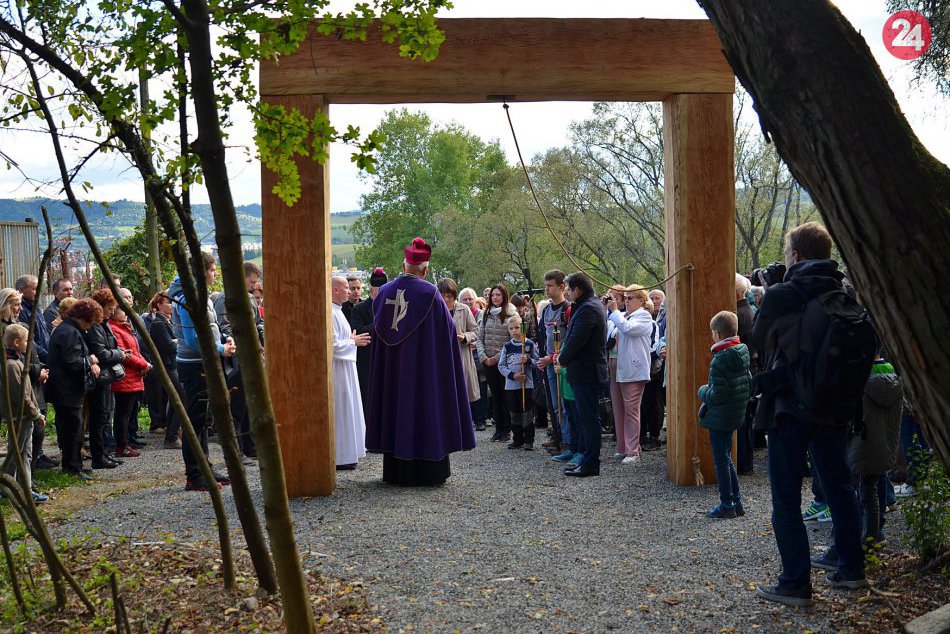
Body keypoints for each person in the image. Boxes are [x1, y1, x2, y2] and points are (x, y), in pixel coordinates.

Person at [752, 222, 873, 606]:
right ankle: (852, 570)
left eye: (787, 253)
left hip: (789, 408)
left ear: (797, 255)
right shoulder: (844, 293)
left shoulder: (784, 293)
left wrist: (771, 292)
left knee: (786, 497)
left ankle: (795, 583)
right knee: (840, 489)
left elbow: (758, 339)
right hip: (835, 409)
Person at [365, 237, 476, 486]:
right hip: (423, 372)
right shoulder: (431, 294)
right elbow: (446, 336)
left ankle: (396, 471)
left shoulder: (383, 293)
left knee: (396, 408)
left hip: (393, 373)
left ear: (404, 266)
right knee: (425, 410)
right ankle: (428, 472)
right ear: (425, 269)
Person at [168, 252, 236, 491]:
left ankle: (205, 467)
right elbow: (193, 338)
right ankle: (194, 475)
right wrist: (220, 349)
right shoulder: (188, 296)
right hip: (194, 363)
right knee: (195, 421)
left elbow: (212, 326)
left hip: (205, 360)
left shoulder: (200, 294)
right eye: (213, 270)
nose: (215, 274)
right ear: (201, 271)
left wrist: (225, 339)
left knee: (203, 419)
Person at [698, 311, 752, 519]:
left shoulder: (720, 360)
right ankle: (736, 502)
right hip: (735, 413)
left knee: (721, 460)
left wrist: (702, 391)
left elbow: (719, 394)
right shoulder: (741, 351)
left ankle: (726, 503)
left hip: (720, 416)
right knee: (727, 458)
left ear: (718, 333)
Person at [844, 355, 902, 547]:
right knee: (874, 488)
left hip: (864, 442)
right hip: (885, 443)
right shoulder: (892, 373)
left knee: (859, 491)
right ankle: (877, 532)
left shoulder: (860, 377)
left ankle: (867, 538)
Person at [554, 272, 607, 477]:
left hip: (587, 372)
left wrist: (561, 359)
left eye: (568, 288)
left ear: (578, 290)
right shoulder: (587, 305)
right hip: (583, 372)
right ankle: (587, 459)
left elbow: (576, 341)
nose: (567, 292)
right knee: (586, 418)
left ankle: (591, 463)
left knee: (589, 419)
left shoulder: (588, 309)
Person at [46, 298, 102, 481]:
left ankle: (74, 465)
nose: (90, 326)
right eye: (91, 321)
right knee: (72, 430)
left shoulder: (68, 329)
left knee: (73, 429)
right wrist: (90, 360)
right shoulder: (70, 332)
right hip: (66, 389)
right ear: (84, 318)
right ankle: (72, 468)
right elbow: (72, 362)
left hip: (66, 389)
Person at [605, 285, 655, 465]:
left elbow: (628, 329)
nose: (626, 301)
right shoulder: (622, 316)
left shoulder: (644, 316)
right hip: (617, 368)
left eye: (630, 298)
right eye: (625, 298)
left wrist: (615, 312)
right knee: (618, 409)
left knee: (631, 411)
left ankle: (633, 450)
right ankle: (622, 446)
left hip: (633, 370)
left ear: (641, 300)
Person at [2, 324, 49, 502]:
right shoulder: (11, 365)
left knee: (26, 454)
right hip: (19, 417)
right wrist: (36, 414)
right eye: (26, 340)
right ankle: (7, 488)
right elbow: (20, 396)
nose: (30, 343)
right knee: (16, 454)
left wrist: (35, 412)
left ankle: (26, 489)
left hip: (26, 416)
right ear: (16, 342)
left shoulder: (18, 361)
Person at [14, 275, 56, 470]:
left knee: (43, 410)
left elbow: (43, 335)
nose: (38, 291)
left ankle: (38, 454)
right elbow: (30, 343)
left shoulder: (36, 307)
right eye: (34, 288)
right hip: (33, 365)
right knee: (36, 413)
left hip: (41, 362)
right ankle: (32, 460)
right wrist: (46, 359)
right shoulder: (22, 311)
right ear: (22, 290)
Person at [330, 276, 371, 470]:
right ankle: (340, 456)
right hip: (338, 371)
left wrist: (351, 339)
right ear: (336, 290)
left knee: (349, 409)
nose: (349, 291)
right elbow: (332, 346)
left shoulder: (338, 312)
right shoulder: (330, 313)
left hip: (346, 368)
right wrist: (352, 342)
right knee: (342, 411)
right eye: (346, 288)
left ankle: (348, 453)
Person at [85, 289, 128, 467]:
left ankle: (104, 453)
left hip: (107, 376)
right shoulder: (95, 327)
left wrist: (117, 352)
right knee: (99, 417)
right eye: (110, 308)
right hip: (100, 377)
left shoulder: (104, 324)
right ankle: (99, 456)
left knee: (105, 416)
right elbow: (101, 353)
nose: (111, 312)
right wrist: (119, 354)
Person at [110, 290, 152, 459]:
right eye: (122, 310)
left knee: (128, 414)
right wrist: (143, 364)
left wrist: (144, 364)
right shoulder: (115, 329)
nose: (126, 313)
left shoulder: (125, 327)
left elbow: (136, 349)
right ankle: (121, 445)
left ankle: (126, 442)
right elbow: (125, 354)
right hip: (125, 378)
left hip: (134, 377)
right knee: (122, 414)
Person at [536, 270, 571, 457]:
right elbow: (542, 336)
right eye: (546, 285)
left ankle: (568, 441)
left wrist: (553, 358)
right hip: (548, 363)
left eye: (550, 286)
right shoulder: (547, 310)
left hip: (562, 364)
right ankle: (557, 435)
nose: (547, 289)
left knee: (565, 404)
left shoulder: (567, 310)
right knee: (554, 404)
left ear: (561, 287)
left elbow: (569, 340)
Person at [477, 284, 516, 442]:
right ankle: (498, 429)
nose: (495, 298)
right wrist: (483, 357)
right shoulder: (486, 315)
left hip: (503, 362)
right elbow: (480, 338)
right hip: (487, 361)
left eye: (498, 295)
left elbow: (511, 340)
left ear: (504, 296)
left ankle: (507, 430)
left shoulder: (509, 315)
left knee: (505, 396)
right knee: (496, 396)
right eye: (493, 295)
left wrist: (497, 358)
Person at [497, 314, 539, 450]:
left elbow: (537, 362)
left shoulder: (529, 344)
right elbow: (501, 366)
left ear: (523, 328)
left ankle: (529, 440)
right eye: (511, 328)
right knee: (514, 412)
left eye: (517, 327)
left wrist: (528, 361)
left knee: (526, 411)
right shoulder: (507, 346)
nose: (515, 330)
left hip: (526, 385)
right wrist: (512, 375)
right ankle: (517, 439)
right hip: (511, 385)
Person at [147, 292, 183, 449]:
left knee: (177, 400)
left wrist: (176, 341)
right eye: (168, 302)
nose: (171, 305)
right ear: (159, 305)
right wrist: (179, 341)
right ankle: (171, 436)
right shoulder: (158, 324)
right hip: (167, 367)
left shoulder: (169, 322)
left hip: (172, 365)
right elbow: (169, 346)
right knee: (180, 399)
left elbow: (173, 343)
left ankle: (172, 432)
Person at [438, 278, 480, 407]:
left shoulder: (464, 309)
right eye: (442, 296)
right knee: (444, 394)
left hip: (461, 356)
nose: (445, 299)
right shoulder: (434, 309)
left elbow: (475, 331)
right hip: (441, 358)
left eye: (449, 296)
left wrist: (465, 337)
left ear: (454, 295)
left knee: (462, 395)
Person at [351, 267, 387, 416]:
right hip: (366, 361)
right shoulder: (359, 309)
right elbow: (359, 332)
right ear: (373, 290)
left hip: (386, 359)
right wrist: (379, 322)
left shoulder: (390, 306)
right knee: (368, 401)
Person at [735, 273, 757, 474]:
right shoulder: (747, 311)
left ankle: (743, 462)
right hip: (748, 368)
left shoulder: (740, 315)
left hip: (743, 371)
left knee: (742, 420)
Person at [460, 287, 489, 431]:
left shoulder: (482, 315)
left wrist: (474, 343)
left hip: (478, 357)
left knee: (479, 388)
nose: (468, 301)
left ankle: (481, 419)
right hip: (462, 354)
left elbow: (481, 334)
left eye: (470, 299)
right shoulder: (458, 312)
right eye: (465, 299)